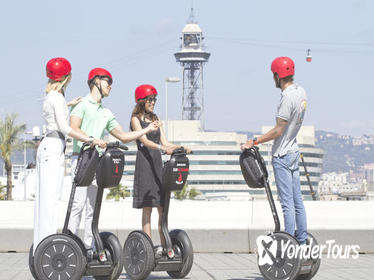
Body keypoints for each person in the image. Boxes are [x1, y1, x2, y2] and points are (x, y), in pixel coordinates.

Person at [68, 68, 160, 253]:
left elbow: (124, 136)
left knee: (92, 208)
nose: (110, 85)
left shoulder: (106, 112)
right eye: (107, 81)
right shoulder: (82, 105)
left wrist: (146, 130)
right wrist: (92, 139)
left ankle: (89, 248)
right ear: (95, 82)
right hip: (82, 158)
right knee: (78, 205)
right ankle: (70, 246)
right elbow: (73, 128)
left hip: (98, 161)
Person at [33, 58, 105, 253]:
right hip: (54, 147)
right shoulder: (56, 98)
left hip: (49, 146)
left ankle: (40, 248)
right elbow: (65, 127)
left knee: (44, 203)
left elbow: (56, 117)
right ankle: (46, 251)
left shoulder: (52, 96)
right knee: (50, 202)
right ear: (66, 77)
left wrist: (69, 103)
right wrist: (90, 139)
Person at [240, 57, 308, 244]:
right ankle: (301, 243)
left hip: (283, 155)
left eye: (273, 76)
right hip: (294, 151)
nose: (273, 79)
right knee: (298, 202)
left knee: (287, 204)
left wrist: (254, 141)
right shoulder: (301, 92)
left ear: (278, 76)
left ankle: (289, 244)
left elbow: (278, 130)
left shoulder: (287, 98)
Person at [130, 84, 190, 257]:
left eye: (154, 99)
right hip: (144, 164)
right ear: (142, 100)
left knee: (162, 207)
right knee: (147, 207)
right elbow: (144, 141)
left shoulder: (156, 118)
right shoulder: (136, 119)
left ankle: (166, 248)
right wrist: (163, 149)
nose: (153, 102)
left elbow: (165, 141)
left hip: (157, 164)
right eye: (150, 99)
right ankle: (148, 249)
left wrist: (180, 147)